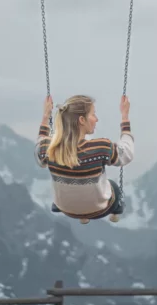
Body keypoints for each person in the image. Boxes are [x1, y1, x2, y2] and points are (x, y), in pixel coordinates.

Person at [35, 93, 133, 224]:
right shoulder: (101, 147)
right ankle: (114, 213)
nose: (96, 119)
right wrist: (125, 118)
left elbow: (39, 145)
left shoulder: (49, 148)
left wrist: (45, 117)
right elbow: (126, 154)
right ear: (82, 120)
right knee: (113, 186)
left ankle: (82, 216)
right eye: (93, 114)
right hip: (99, 210)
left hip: (65, 209)